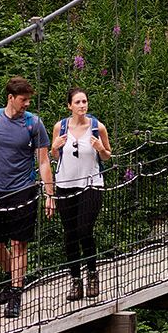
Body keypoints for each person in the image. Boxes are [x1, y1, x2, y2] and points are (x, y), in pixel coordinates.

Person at [0, 75, 52, 319]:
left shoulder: (34, 124)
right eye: (23, 100)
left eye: (29, 100)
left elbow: (43, 160)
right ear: (10, 98)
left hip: (24, 189)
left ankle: (16, 294)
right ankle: (14, 281)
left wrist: (50, 194)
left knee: (19, 243)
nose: (27, 104)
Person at [50, 88, 112, 301]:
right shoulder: (60, 127)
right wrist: (54, 148)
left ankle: (92, 275)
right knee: (70, 235)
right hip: (65, 185)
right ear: (69, 106)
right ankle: (75, 281)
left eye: (84, 101)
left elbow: (107, 156)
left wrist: (100, 148)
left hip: (91, 185)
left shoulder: (97, 127)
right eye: (77, 102)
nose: (82, 105)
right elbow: (54, 154)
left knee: (85, 230)